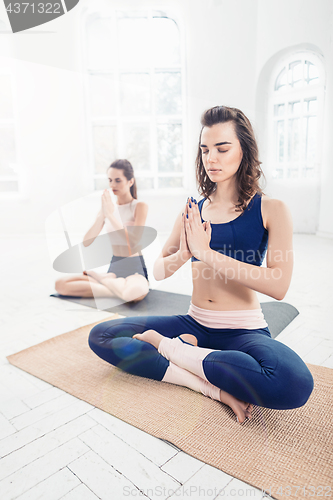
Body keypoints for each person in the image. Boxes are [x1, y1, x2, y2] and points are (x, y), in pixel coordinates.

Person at [88, 106, 314, 423]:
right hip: (194, 323)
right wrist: (186, 252)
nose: (211, 158)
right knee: (101, 335)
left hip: (243, 330)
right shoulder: (192, 210)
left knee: (295, 382)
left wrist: (207, 253)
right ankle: (208, 382)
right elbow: (159, 270)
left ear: (244, 150)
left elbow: (278, 285)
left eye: (222, 148)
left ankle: (169, 348)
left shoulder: (271, 209)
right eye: (205, 149)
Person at [55, 159, 149, 303]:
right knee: (61, 285)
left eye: (118, 180)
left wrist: (110, 215)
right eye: (110, 180)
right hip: (114, 268)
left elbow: (134, 242)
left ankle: (104, 281)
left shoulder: (139, 206)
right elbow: (86, 242)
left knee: (134, 293)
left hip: (134, 267)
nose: (112, 185)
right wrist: (103, 215)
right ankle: (115, 288)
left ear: (130, 182)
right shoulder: (107, 207)